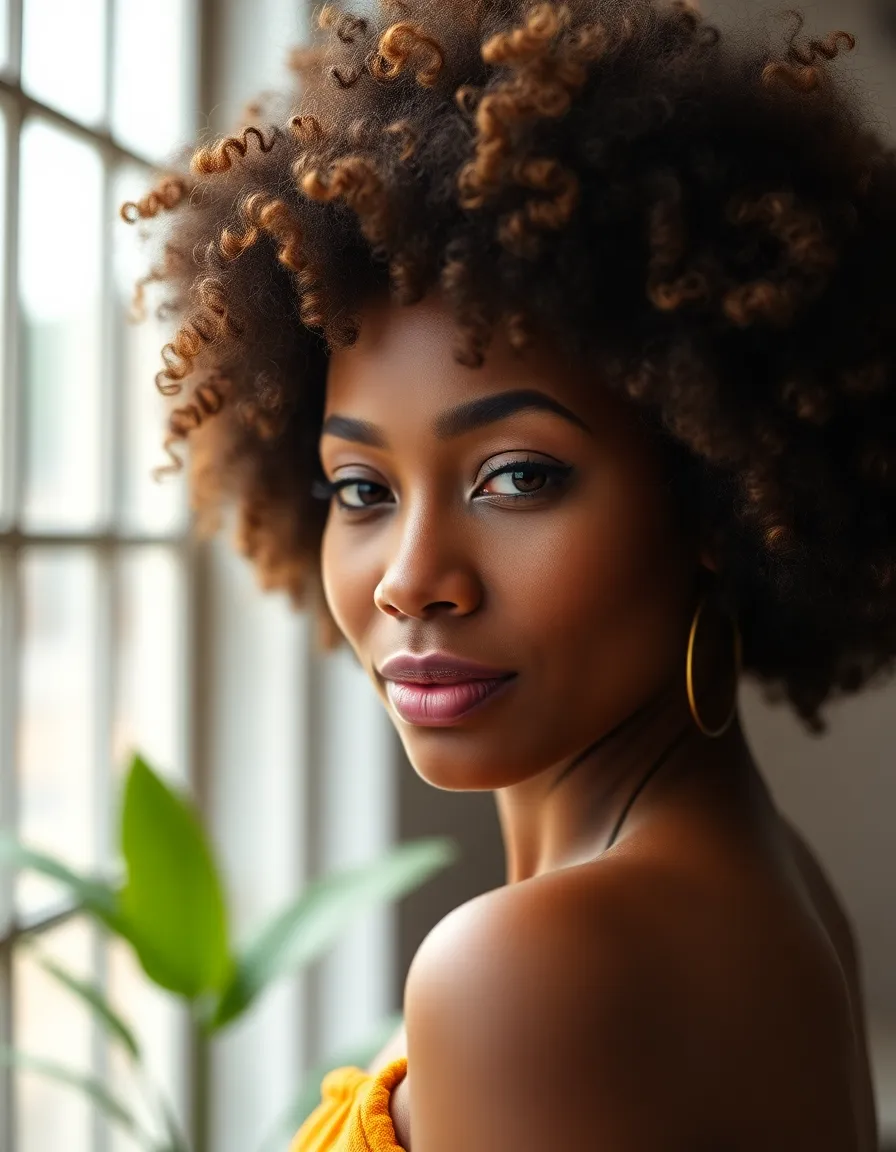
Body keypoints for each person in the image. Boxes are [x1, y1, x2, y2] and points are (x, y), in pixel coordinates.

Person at [121, 0, 894, 1147]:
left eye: (517, 477)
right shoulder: (755, 878)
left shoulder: (535, 966)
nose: (410, 580)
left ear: (713, 492)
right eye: (360, 491)